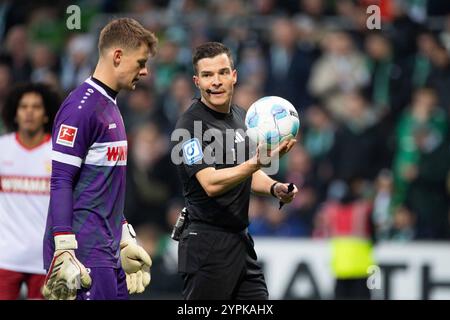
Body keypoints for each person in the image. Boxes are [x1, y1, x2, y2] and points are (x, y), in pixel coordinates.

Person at [42, 18, 158, 300]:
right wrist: (64, 247)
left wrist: (123, 233)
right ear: (118, 56)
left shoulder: (110, 105)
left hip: (105, 250)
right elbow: (60, 181)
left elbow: (103, 187)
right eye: (140, 62)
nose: (144, 71)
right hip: (83, 254)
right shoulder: (81, 109)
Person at [173, 42, 298, 300]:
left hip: (241, 242)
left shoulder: (243, 118)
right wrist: (257, 162)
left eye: (222, 72)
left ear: (234, 76)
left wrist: (275, 188)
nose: (216, 81)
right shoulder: (190, 126)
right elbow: (211, 183)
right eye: (207, 75)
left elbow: (246, 174)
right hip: (207, 245)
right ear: (197, 81)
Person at [0, 83, 59, 299]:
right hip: (5, 256)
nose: (29, 112)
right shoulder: (2, 148)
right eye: (23, 107)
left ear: (46, 115)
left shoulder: (58, 153)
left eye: (36, 107)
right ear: (15, 113)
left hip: (46, 258)